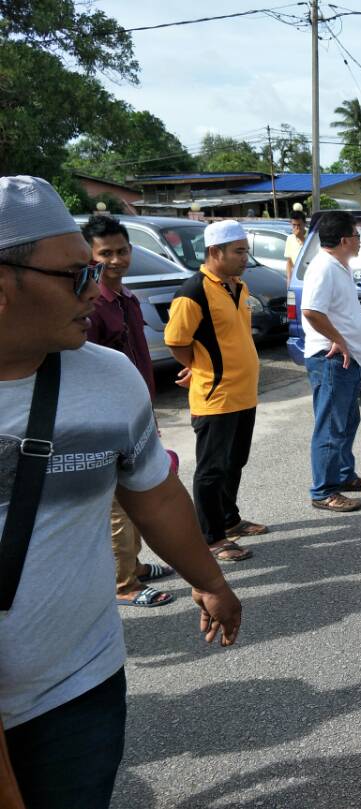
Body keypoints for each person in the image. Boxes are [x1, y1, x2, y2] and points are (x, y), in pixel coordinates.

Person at [0, 175, 242, 809]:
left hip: (83, 686)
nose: (96, 286)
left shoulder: (109, 381)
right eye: (76, 275)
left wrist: (210, 581)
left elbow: (154, 495)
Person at [83, 214, 175, 608]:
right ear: (89, 257)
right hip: (107, 419)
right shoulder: (89, 306)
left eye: (122, 251)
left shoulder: (126, 298)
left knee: (138, 492)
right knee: (118, 505)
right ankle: (124, 584)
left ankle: (133, 565)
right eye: (105, 253)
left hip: (136, 412)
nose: (116, 260)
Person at [164, 219, 265, 563]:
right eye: (238, 252)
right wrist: (197, 366)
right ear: (214, 252)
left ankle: (229, 519)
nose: (245, 258)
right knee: (212, 469)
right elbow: (176, 340)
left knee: (235, 461)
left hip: (244, 393)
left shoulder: (239, 286)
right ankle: (212, 537)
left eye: (245, 250)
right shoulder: (193, 292)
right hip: (215, 396)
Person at [301, 211, 361, 513]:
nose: (359, 241)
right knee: (331, 425)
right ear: (344, 240)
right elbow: (311, 310)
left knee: (347, 421)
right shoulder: (324, 268)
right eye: (357, 236)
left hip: (347, 358)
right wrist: (338, 339)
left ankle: (343, 474)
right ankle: (324, 491)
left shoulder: (339, 266)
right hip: (329, 358)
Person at [284, 209, 306, 284]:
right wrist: (289, 279)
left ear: (304, 224)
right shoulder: (290, 238)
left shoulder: (310, 237)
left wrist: (301, 238)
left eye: (299, 225)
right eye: (294, 225)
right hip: (296, 278)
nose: (296, 228)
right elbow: (289, 261)